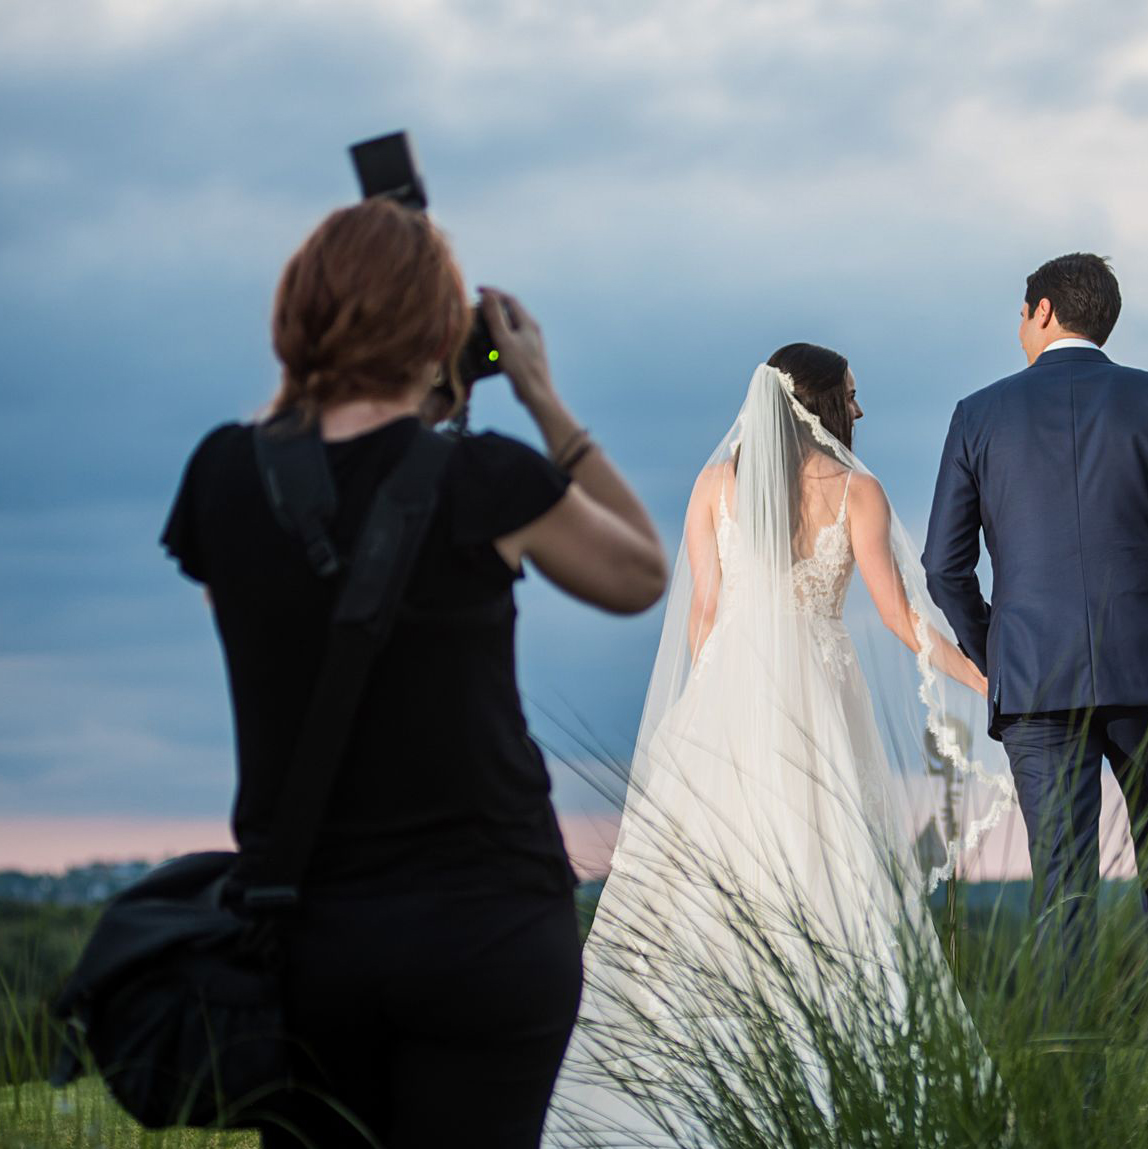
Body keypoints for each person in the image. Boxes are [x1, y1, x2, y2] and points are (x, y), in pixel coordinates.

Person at [161, 197, 670, 1148]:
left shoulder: (222, 478)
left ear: (295, 316)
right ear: (442, 332)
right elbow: (641, 573)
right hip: (487, 924)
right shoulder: (485, 478)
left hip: (302, 932)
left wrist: (321, 394)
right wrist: (538, 395)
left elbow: (265, 562)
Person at [544, 344, 1013, 1146]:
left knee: (713, 881)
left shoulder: (712, 486)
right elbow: (903, 622)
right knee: (830, 876)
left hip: (723, 707)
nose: (859, 410)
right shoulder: (857, 492)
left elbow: (703, 613)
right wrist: (989, 684)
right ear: (820, 402)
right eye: (851, 396)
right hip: (818, 709)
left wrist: (703, 707)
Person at [922, 253, 1148, 1090]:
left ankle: (1073, 1069)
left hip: (1033, 678)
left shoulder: (978, 413)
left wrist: (996, 651)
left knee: (1064, 881)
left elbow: (942, 566)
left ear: (1039, 312)